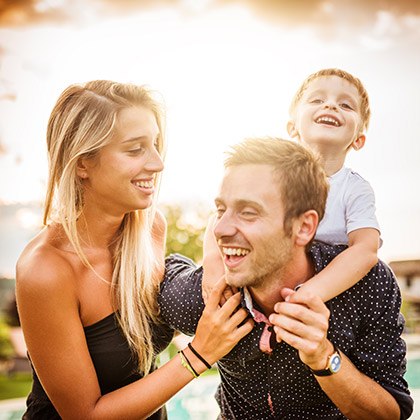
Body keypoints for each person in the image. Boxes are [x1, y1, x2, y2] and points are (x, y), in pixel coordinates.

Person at [15, 80, 253, 420]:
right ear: (83, 163)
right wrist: (200, 354)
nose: (157, 163)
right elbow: (85, 415)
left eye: (155, 145)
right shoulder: (46, 270)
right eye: (135, 149)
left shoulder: (149, 228)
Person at [160, 137, 413, 419]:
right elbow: (153, 276)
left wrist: (323, 356)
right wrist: (196, 353)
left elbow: (392, 413)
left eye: (248, 212)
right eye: (220, 210)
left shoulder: (366, 285)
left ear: (304, 227)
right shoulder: (205, 296)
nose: (220, 229)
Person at [202, 68, 381, 304]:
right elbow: (222, 217)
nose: (330, 106)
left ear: (358, 140)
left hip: (327, 290)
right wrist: (213, 265)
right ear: (292, 127)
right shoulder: (268, 175)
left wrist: (308, 293)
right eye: (317, 100)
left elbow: (365, 249)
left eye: (346, 105)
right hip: (263, 275)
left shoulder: (354, 188)